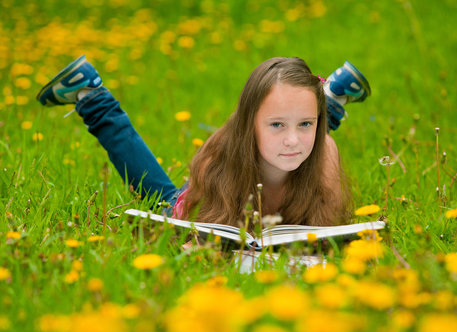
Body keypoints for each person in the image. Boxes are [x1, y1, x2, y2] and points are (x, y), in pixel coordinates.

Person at [36, 56, 371, 227]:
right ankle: (92, 94)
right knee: (159, 198)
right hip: (201, 205)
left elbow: (330, 230)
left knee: (303, 139)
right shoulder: (221, 159)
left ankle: (330, 100)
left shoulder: (324, 152)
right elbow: (197, 236)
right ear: (248, 127)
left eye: (307, 123)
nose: (292, 140)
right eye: (275, 125)